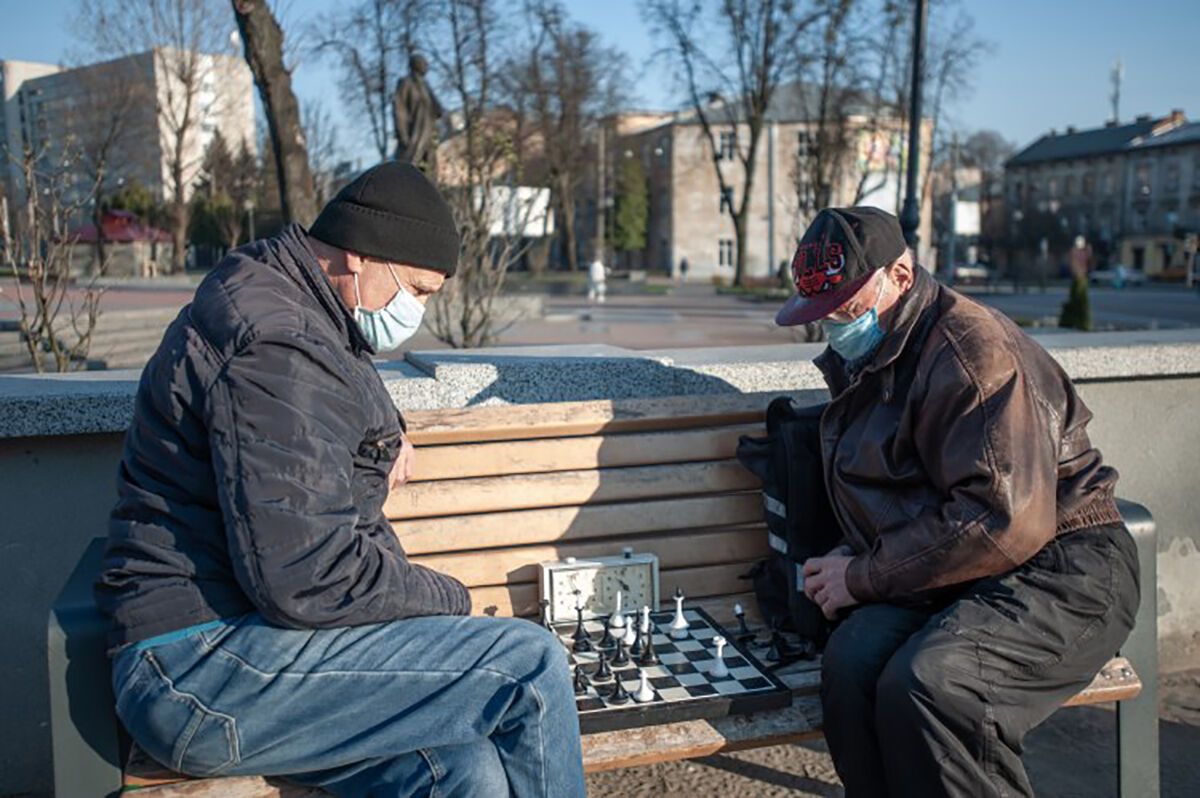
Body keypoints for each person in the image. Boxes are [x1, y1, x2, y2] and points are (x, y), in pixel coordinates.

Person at [95, 162, 586, 797]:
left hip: (241, 648)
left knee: (465, 773)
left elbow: (316, 406)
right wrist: (449, 600)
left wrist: (387, 431)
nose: (417, 311)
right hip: (199, 668)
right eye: (417, 289)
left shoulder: (295, 305)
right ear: (358, 257)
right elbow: (306, 575)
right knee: (529, 665)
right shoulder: (276, 342)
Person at [774, 207, 1139, 798]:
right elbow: (918, 490)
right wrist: (853, 553)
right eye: (826, 313)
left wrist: (863, 575)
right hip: (962, 567)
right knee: (852, 665)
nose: (838, 324)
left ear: (901, 273)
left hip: (1066, 562)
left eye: (848, 305)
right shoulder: (876, 347)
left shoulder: (972, 352)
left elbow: (1005, 519)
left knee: (936, 683)